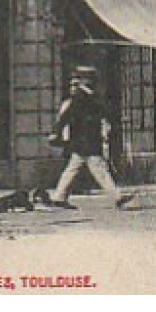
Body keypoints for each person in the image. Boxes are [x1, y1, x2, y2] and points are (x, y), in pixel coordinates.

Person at [48, 69, 135, 210]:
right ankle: (117, 197)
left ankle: (59, 197)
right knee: (100, 171)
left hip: (81, 142)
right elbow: (101, 111)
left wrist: (56, 133)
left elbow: (65, 118)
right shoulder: (85, 97)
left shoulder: (82, 97)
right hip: (88, 141)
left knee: (73, 169)